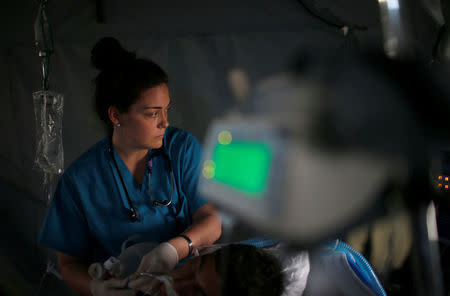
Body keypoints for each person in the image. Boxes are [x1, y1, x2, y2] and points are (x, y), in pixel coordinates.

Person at [38, 37, 222, 296]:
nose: (164, 123)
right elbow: (68, 265)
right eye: (152, 113)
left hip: (184, 286)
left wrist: (174, 249)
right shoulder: (79, 181)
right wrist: (97, 289)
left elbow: (212, 221)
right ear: (116, 116)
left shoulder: (181, 149)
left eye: (166, 110)